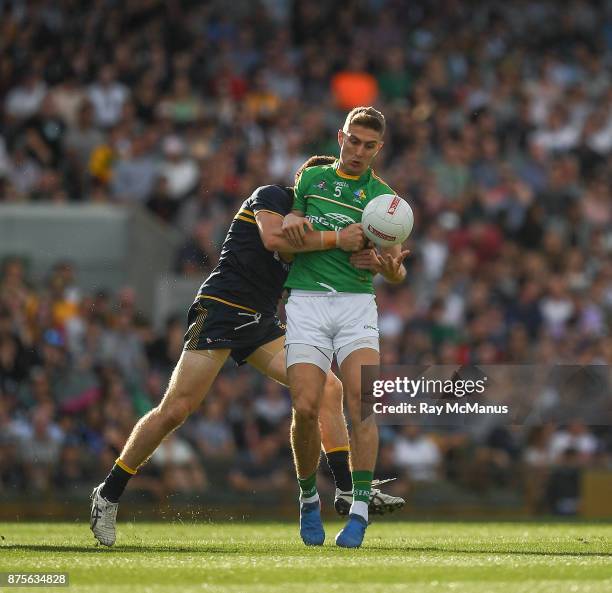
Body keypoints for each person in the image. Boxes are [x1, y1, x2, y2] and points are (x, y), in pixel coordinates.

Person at [90, 155, 404, 546]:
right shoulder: (271, 196)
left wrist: (378, 264)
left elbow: (353, 270)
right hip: (221, 308)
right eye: (316, 184)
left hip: (260, 323)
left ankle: (345, 490)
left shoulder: (322, 225)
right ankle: (109, 493)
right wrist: (339, 240)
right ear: (304, 182)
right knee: (176, 409)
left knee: (330, 389)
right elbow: (274, 240)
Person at [281, 107, 409, 548]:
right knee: (305, 407)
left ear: (379, 148)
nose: (358, 151)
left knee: (362, 404)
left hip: (356, 305)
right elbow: (291, 226)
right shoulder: (311, 180)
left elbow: (395, 267)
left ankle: (357, 512)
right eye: (352, 140)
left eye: (368, 145)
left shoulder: (384, 200)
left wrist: (386, 268)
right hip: (306, 302)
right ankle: (307, 499)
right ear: (340, 137)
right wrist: (297, 220)